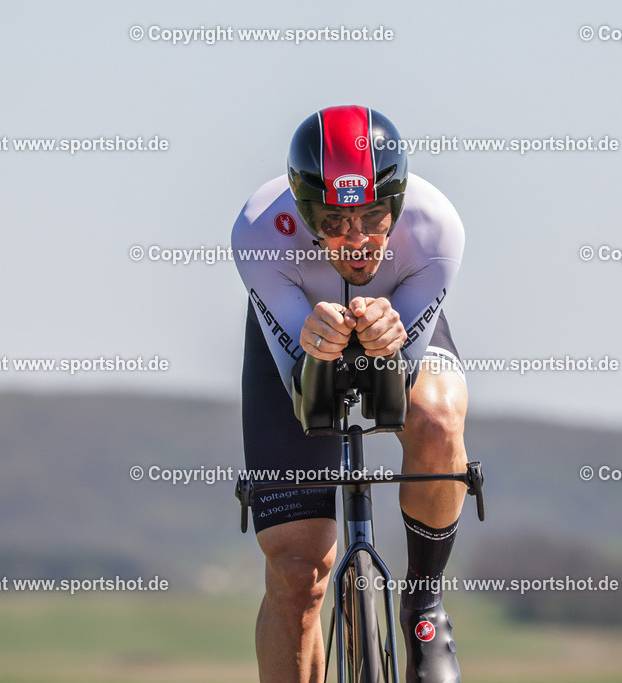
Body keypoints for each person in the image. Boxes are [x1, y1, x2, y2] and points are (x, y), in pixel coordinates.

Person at [232, 105, 467, 682]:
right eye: (333, 221)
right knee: (297, 573)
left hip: (399, 317)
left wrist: (391, 344)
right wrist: (314, 350)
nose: (357, 240)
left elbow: (395, 395)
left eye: (374, 217)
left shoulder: (436, 227)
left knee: (436, 421)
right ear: (301, 207)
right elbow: (306, 397)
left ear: (399, 202)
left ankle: (424, 604)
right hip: (301, 333)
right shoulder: (259, 230)